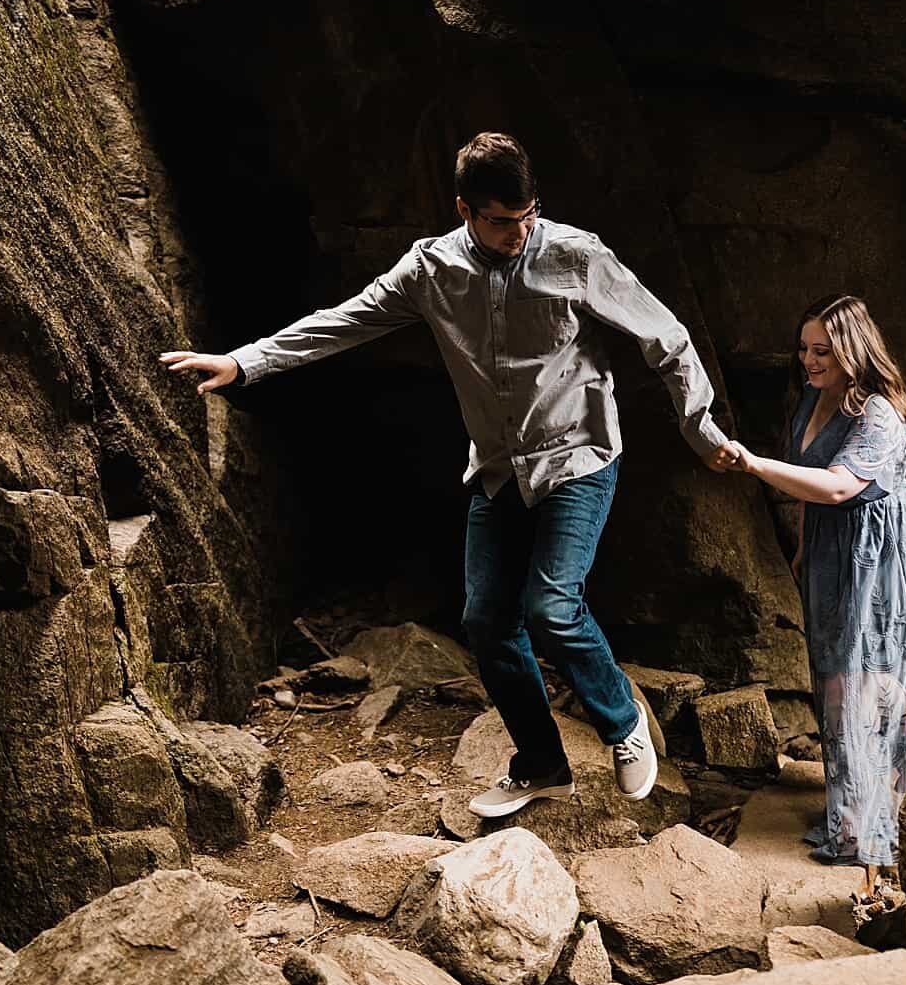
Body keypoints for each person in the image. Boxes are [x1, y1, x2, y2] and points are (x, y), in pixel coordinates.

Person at [160, 132, 740, 819]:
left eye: (528, 215)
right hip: (499, 470)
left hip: (578, 456)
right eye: (501, 220)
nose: (519, 233)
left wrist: (700, 427)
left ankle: (623, 725)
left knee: (551, 607)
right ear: (464, 208)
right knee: (486, 622)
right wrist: (244, 361)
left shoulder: (575, 255)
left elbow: (666, 337)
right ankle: (542, 765)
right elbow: (342, 322)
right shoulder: (428, 272)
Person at [722, 293, 906, 900]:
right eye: (804, 349)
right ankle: (864, 800)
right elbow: (816, 490)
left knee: (878, 674)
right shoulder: (812, 397)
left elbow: (835, 486)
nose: (809, 360)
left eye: (822, 351)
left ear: (854, 350)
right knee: (837, 670)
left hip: (883, 546)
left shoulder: (878, 412)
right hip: (833, 544)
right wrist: (806, 545)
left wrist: (752, 464)